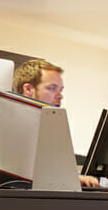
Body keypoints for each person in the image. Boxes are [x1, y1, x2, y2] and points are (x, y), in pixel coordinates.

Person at [12, 58, 99, 187]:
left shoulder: (49, 128)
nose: (60, 96)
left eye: (60, 90)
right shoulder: (11, 127)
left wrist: (75, 178)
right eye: (52, 88)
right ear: (29, 89)